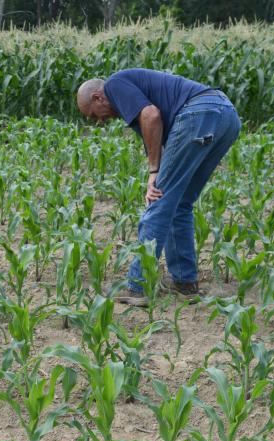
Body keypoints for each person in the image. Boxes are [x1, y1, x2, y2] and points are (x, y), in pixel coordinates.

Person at [76, 69, 241, 306]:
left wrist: (154, 173)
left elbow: (152, 116)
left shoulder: (114, 86)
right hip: (226, 116)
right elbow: (157, 136)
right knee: (181, 202)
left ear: (97, 98)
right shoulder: (132, 98)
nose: (100, 121)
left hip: (199, 113)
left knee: (159, 199)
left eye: (94, 115)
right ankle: (185, 283)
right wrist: (156, 169)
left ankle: (138, 286)